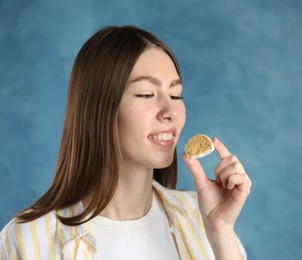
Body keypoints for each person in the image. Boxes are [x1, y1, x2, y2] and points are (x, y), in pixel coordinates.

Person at [0, 25, 251, 260]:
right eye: (146, 94)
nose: (171, 111)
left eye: (175, 94)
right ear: (99, 108)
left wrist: (220, 232)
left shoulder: (204, 218)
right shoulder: (27, 241)